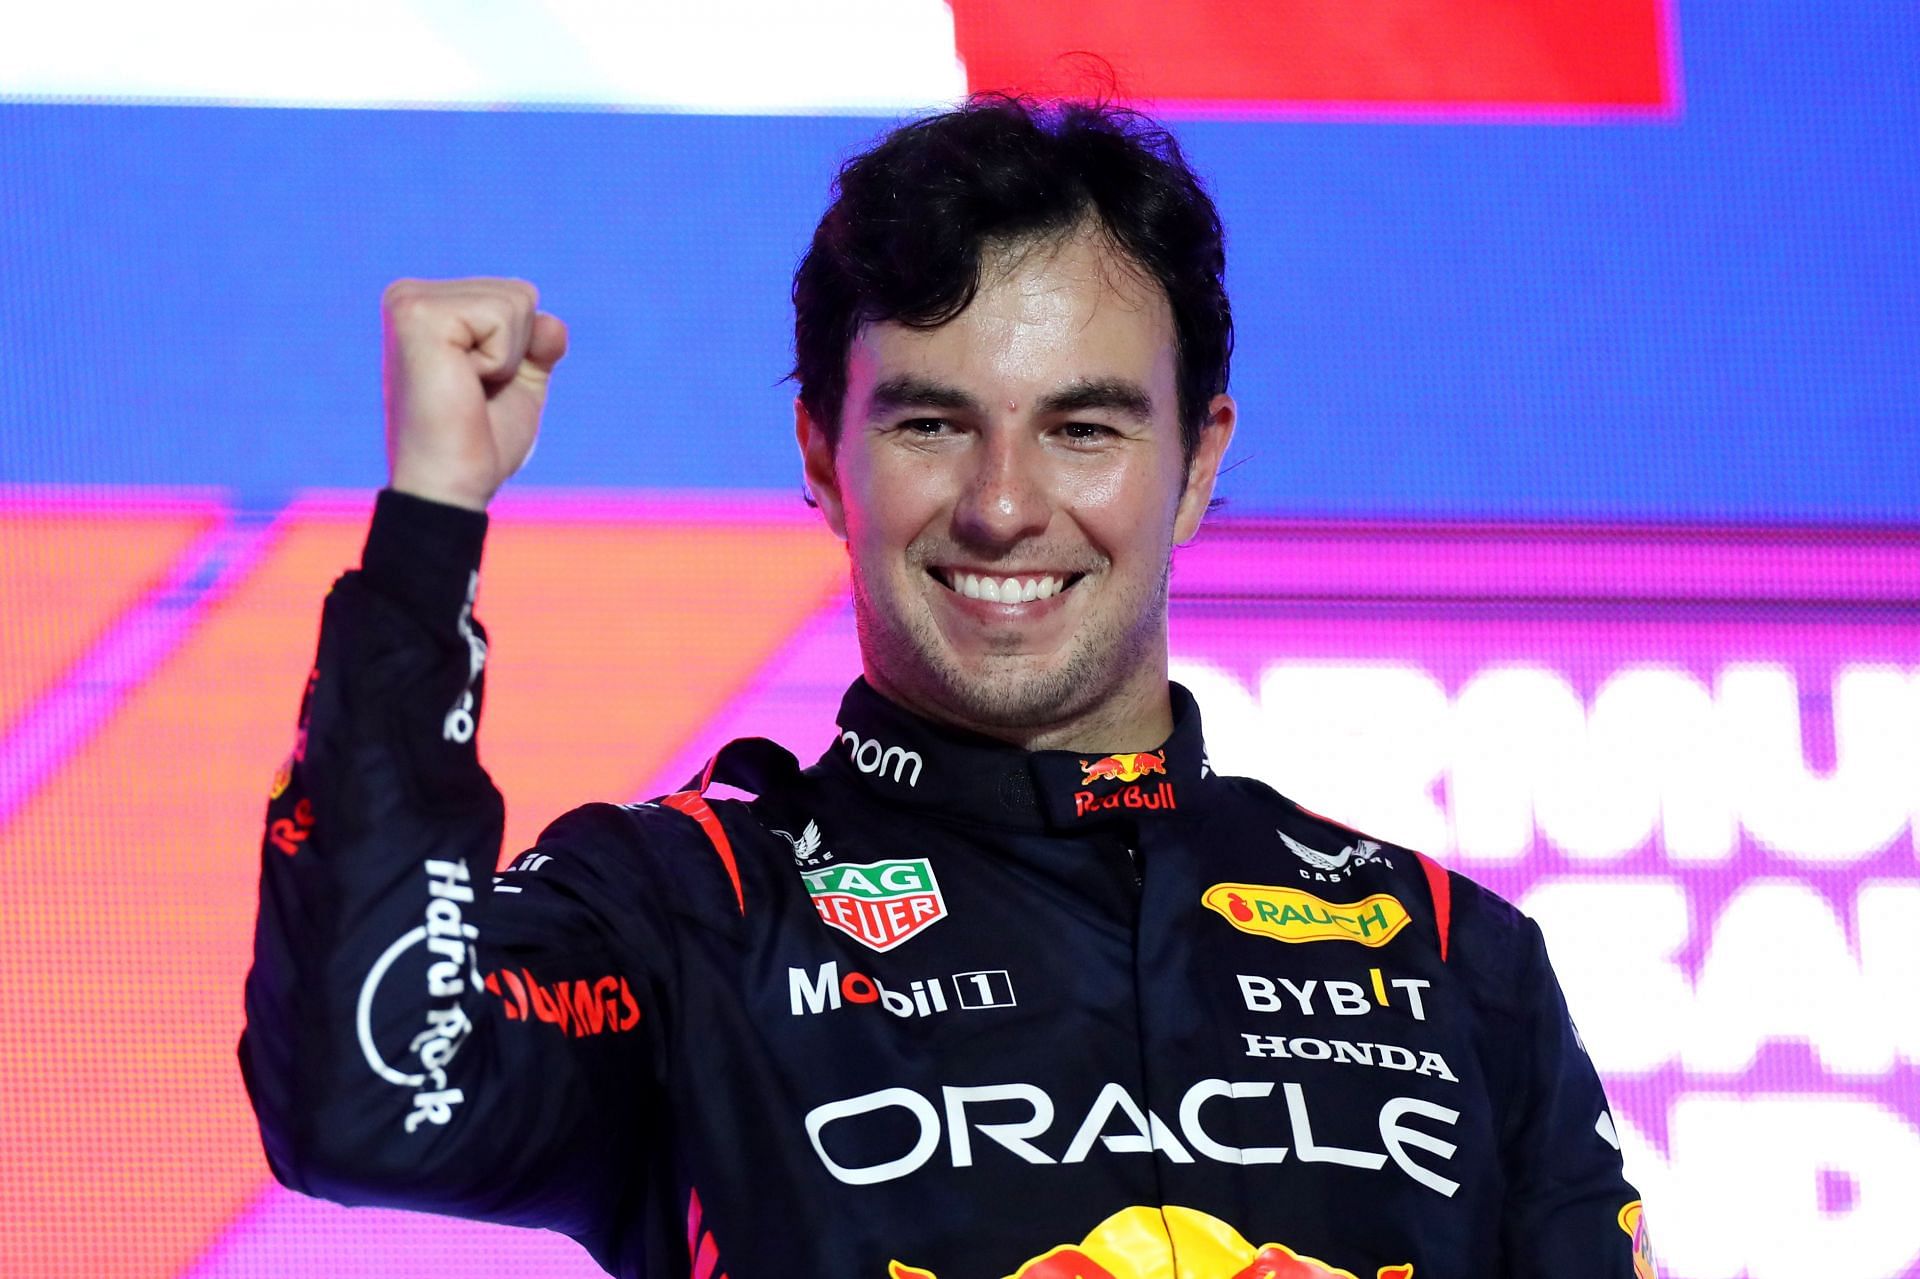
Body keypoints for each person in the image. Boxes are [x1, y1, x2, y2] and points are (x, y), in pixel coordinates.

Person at [240, 97, 1656, 1279]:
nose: (1001, 506)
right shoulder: (693, 914)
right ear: (818, 448)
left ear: (1201, 460)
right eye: (932, 422)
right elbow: (372, 1096)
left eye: (1083, 427)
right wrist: (431, 523)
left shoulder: (1452, 958)